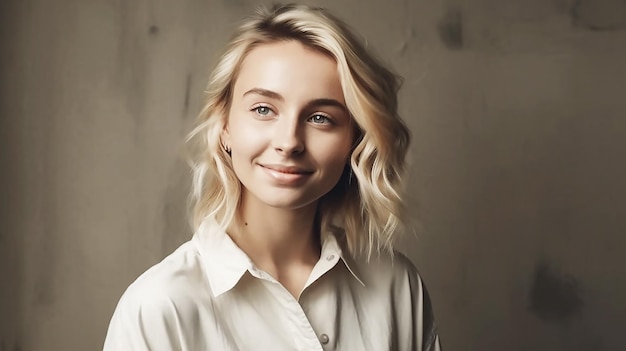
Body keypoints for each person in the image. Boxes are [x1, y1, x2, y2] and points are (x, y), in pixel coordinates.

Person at [103, 3, 441, 351]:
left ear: (355, 139)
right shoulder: (160, 308)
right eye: (263, 109)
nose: (289, 142)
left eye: (320, 117)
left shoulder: (396, 286)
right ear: (225, 127)